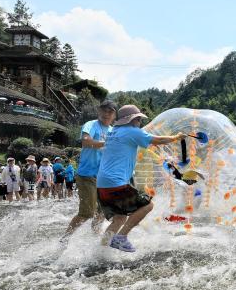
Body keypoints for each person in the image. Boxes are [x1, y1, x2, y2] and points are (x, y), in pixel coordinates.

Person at [97, 104, 187, 252]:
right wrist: (176, 137)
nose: (140, 123)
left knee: (119, 218)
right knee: (148, 205)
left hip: (102, 184)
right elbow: (157, 140)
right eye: (139, 119)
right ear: (133, 120)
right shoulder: (132, 131)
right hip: (115, 183)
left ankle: (101, 251)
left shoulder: (113, 132)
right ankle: (121, 237)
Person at [64, 100, 116, 237]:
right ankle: (65, 238)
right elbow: (86, 141)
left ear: (114, 115)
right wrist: (108, 143)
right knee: (87, 213)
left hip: (103, 178)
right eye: (104, 110)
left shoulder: (113, 131)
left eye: (110, 111)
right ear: (99, 111)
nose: (106, 114)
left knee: (102, 212)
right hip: (87, 175)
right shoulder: (91, 125)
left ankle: (95, 237)